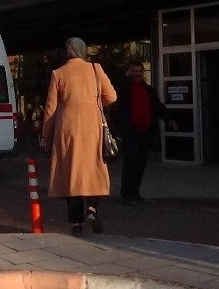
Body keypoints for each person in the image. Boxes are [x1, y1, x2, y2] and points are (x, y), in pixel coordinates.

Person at [40, 37, 117, 236]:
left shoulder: (58, 73)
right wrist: (93, 102)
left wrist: (45, 136)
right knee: (94, 170)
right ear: (83, 50)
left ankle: (76, 223)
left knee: (72, 172)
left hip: (67, 127)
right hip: (92, 126)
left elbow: (50, 109)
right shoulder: (95, 69)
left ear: (67, 51)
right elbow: (111, 96)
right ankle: (92, 210)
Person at [113, 61, 177, 205]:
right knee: (131, 163)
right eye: (134, 71)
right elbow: (117, 94)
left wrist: (169, 119)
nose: (137, 74)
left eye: (139, 71)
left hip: (145, 132)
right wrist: (126, 78)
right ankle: (127, 194)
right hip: (131, 133)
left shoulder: (148, 90)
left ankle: (135, 193)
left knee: (140, 164)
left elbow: (158, 107)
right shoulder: (125, 89)